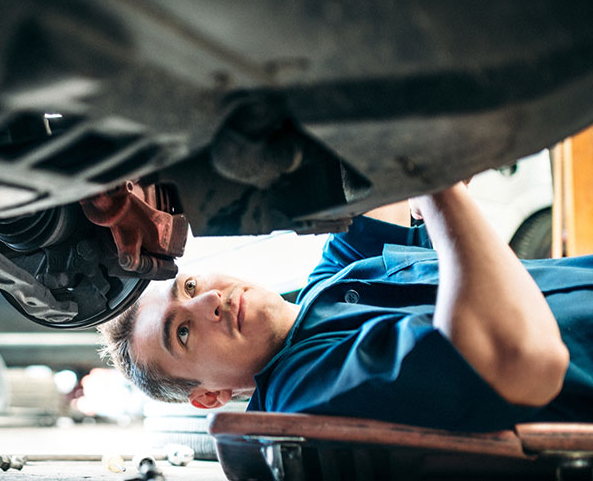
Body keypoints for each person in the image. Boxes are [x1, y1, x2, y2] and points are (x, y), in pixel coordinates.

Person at [98, 183, 593, 431]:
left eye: (188, 286)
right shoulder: (304, 400)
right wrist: (437, 184)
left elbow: (373, 189)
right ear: (210, 396)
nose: (209, 301)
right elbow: (520, 359)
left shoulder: (327, 283)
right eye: (182, 332)